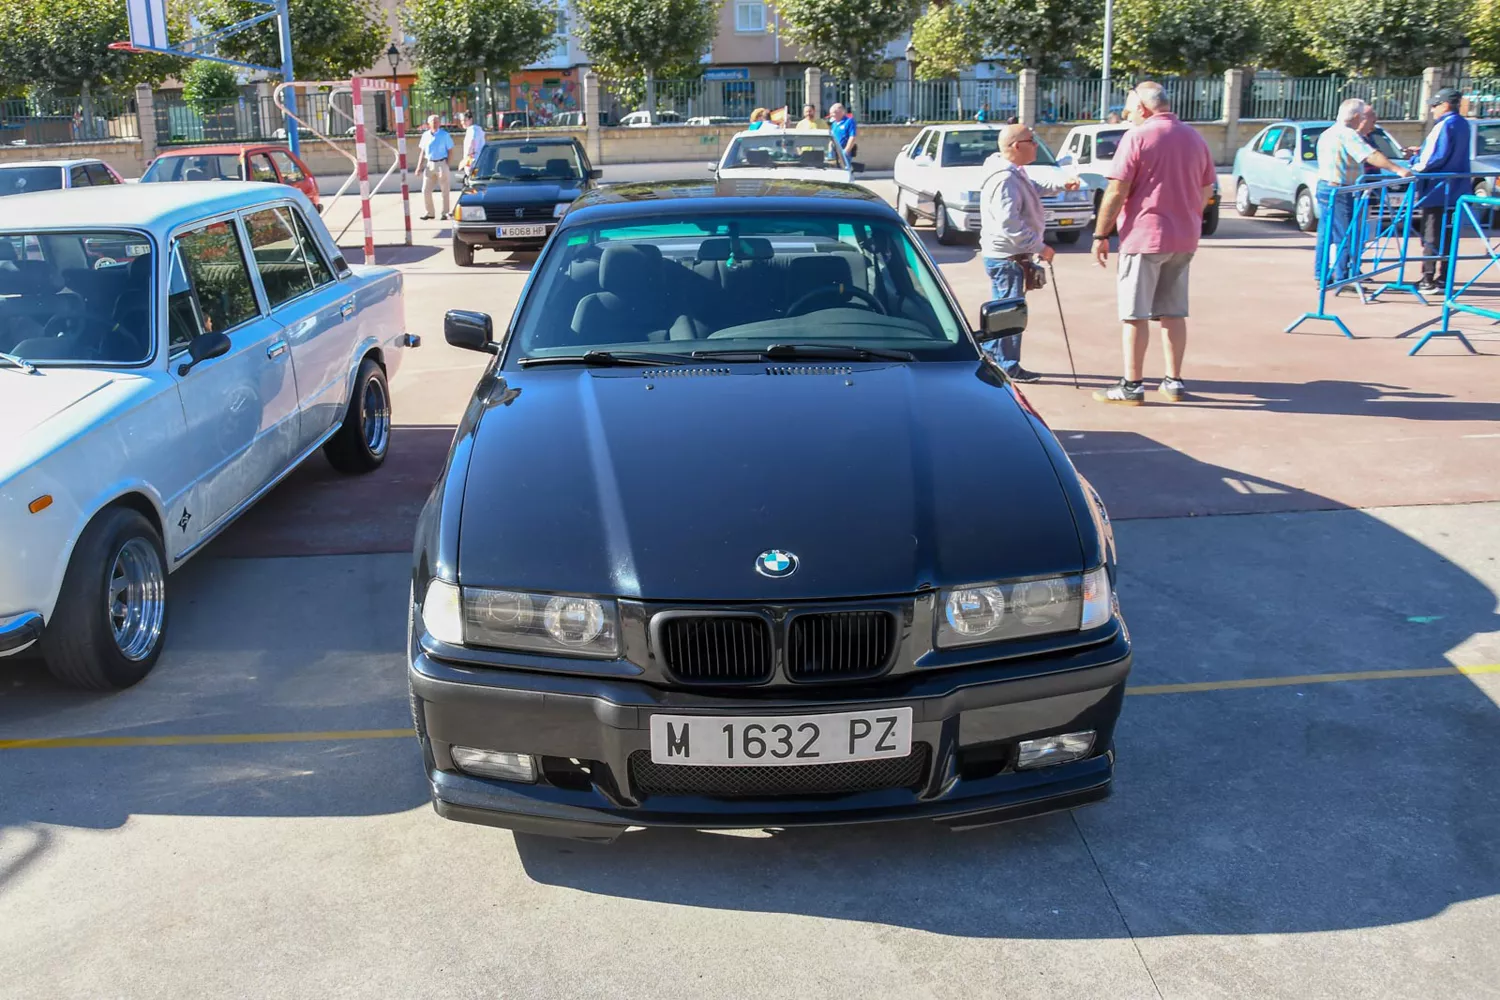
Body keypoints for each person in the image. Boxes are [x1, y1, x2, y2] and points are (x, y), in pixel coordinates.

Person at [1090, 82, 1217, 405]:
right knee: (1174, 312)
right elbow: (1206, 190)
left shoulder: (1137, 137)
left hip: (1144, 236)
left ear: (1144, 109)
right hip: (1183, 237)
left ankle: (1132, 385)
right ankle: (1174, 381)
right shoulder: (1194, 137)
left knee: (1135, 314)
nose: (1129, 115)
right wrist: (1187, 215)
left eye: (1131, 109)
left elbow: (1117, 190)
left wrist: (1101, 234)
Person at [979, 124, 1083, 383]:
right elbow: (1009, 224)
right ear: (1016, 146)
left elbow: (1034, 186)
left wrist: (1062, 184)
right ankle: (1008, 365)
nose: (1036, 144)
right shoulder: (1004, 178)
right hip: (1008, 258)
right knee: (1010, 312)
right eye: (1031, 140)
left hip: (1010, 257)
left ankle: (994, 353)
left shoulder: (1014, 172)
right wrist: (1039, 246)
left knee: (1006, 309)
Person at [1312, 99, 1410, 288]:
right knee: (1346, 234)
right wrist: (1398, 169)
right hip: (1341, 189)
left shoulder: (1328, 133)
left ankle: (1322, 275)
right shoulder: (1348, 134)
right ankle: (1344, 278)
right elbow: (1369, 155)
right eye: (1366, 117)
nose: (1369, 121)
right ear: (1357, 117)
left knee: (1327, 234)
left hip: (1326, 186)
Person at [1406, 87, 1472, 292]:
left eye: (1435, 106)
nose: (1432, 110)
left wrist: (1413, 164)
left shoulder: (1444, 124)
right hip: (1456, 189)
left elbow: (1434, 158)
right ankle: (1444, 277)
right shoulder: (1463, 124)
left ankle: (1427, 279)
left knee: (1431, 234)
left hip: (1438, 189)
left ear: (1445, 105)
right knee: (1449, 235)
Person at [416, 115, 454, 221]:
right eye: (433, 121)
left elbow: (450, 150)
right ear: (429, 123)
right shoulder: (425, 135)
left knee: (444, 190)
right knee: (425, 190)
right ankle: (430, 213)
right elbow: (422, 152)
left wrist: (447, 164)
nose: (435, 123)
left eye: (437, 121)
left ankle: (445, 213)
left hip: (442, 163)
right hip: (429, 164)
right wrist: (419, 166)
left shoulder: (444, 135)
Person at [459, 112, 485, 183]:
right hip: (477, 161)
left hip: (473, 161)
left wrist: (465, 161)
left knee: (472, 181)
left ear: (471, 120)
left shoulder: (472, 130)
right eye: (461, 120)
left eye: (465, 120)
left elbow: (471, 144)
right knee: (475, 180)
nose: (462, 122)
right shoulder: (476, 130)